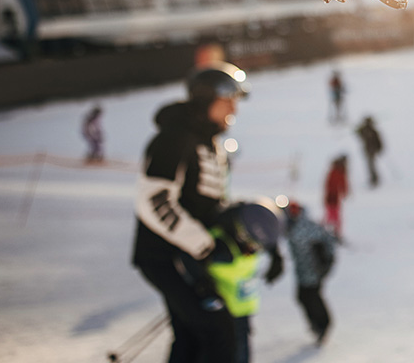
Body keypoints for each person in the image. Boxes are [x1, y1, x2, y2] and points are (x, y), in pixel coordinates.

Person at [130, 62, 249, 363]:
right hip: (165, 255)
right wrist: (204, 245)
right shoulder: (174, 139)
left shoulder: (209, 143)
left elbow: (209, 202)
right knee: (216, 331)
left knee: (191, 336)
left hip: (189, 256)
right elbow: (155, 201)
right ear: (206, 99)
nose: (234, 108)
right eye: (228, 100)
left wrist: (237, 227)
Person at [206, 200, 285, 363]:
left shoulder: (248, 240)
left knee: (241, 351)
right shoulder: (222, 248)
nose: (254, 249)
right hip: (223, 314)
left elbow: (266, 227)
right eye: (252, 243)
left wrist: (276, 255)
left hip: (242, 310)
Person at [282, 200, 338, 345]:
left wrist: (325, 262)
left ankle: (323, 324)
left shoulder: (301, 228)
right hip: (305, 270)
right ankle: (318, 324)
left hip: (313, 271)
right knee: (303, 297)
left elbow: (326, 240)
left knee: (310, 297)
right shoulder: (298, 225)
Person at [323, 155, 349, 240]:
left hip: (335, 197)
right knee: (331, 216)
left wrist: (344, 192)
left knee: (334, 216)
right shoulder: (335, 172)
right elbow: (330, 185)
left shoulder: (339, 172)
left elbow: (343, 183)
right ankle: (328, 232)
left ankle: (334, 233)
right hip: (332, 197)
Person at [354, 116, 384, 188]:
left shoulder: (373, 131)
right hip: (367, 150)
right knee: (370, 165)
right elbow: (356, 132)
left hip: (372, 151)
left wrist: (379, 149)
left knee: (371, 165)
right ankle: (373, 178)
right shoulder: (364, 130)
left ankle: (374, 178)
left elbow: (379, 141)